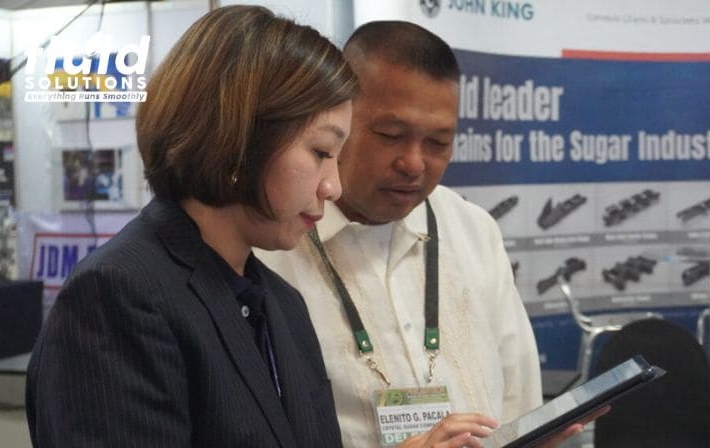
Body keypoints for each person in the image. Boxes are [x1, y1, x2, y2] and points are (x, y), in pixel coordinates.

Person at [257, 21, 600, 448]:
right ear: (337, 119)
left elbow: (518, 397)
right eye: (391, 136)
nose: (414, 163)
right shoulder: (269, 245)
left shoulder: (472, 231)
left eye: (438, 143)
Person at [26, 6, 355, 447]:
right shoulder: (118, 296)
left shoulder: (282, 303)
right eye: (320, 151)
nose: (334, 186)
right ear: (238, 136)